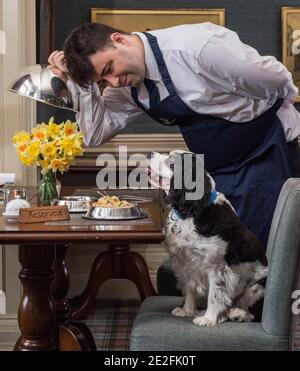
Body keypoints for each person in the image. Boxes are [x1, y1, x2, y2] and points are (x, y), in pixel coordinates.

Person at [48, 22, 300, 249]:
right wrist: (80, 83)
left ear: (120, 40)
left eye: (109, 68)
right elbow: (94, 134)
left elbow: (278, 79)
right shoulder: (127, 88)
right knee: (227, 257)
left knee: (269, 255)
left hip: (265, 156)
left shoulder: (196, 49)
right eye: (103, 79)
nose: (113, 82)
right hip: (217, 173)